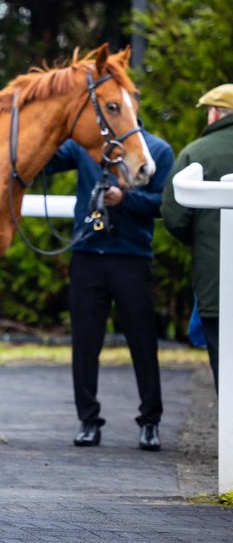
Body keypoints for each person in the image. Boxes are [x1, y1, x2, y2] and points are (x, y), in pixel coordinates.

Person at [43, 110, 174, 451]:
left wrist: (125, 198)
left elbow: (163, 203)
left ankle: (150, 421)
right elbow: (46, 160)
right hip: (88, 254)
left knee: (143, 344)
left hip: (130, 257)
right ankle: (88, 420)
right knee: (85, 344)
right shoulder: (87, 148)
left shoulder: (158, 150)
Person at [162, 83, 233, 392]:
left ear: (216, 114)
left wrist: (203, 242)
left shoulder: (196, 153)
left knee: (223, 359)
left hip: (216, 280)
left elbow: (175, 216)